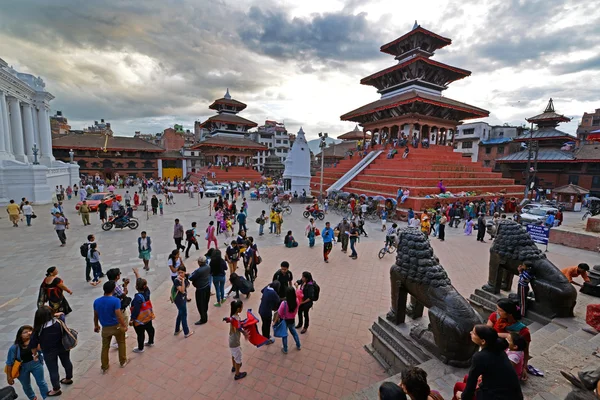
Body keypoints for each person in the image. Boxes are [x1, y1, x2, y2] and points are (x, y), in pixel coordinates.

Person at [453, 325, 523, 400]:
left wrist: (463, 396)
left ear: (483, 341)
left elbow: (472, 381)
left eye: (473, 333)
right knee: (467, 378)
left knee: (458, 386)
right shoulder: (499, 349)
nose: (470, 333)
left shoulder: (480, 357)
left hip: (497, 396)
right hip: (514, 394)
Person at [30, 307, 73, 396]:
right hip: (63, 347)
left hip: (49, 351)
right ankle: (68, 378)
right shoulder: (59, 321)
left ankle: (56, 389)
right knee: (67, 362)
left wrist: (34, 355)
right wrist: (56, 314)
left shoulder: (38, 329)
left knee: (53, 370)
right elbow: (62, 314)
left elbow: (33, 345)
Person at [486, 299, 531, 381]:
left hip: (508, 359)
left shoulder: (523, 331)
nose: (497, 312)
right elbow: (486, 333)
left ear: (509, 313)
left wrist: (524, 367)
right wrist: (504, 335)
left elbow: (525, 351)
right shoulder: (494, 316)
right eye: (497, 309)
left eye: (500, 310)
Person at [5, 325, 50, 400]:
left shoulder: (35, 342)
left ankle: (46, 397)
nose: (29, 333)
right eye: (25, 332)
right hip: (22, 368)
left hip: (36, 364)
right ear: (20, 335)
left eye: (30, 331)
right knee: (26, 385)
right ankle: (32, 398)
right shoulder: (14, 348)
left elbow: (43, 350)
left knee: (41, 382)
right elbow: (9, 363)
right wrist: (9, 377)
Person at [93, 281, 128, 373]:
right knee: (121, 343)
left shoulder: (96, 301)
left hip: (105, 328)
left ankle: (104, 366)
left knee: (105, 347)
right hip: (116, 326)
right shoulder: (115, 301)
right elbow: (118, 315)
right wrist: (124, 325)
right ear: (113, 290)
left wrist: (96, 325)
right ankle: (123, 361)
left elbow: (95, 315)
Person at [130, 277, 155, 353]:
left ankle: (140, 348)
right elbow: (144, 286)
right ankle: (151, 341)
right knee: (150, 329)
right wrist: (137, 275)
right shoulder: (147, 292)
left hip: (139, 319)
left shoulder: (137, 298)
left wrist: (132, 319)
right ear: (145, 286)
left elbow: (136, 310)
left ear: (136, 287)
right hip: (147, 316)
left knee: (140, 334)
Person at [274, 286, 301, 354]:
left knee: (284, 334)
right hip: (292, 320)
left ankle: (285, 349)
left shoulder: (284, 303)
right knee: (294, 333)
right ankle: (298, 345)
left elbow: (279, 313)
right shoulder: (297, 301)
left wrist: (274, 322)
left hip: (284, 320)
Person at [228, 300, 248, 380]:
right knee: (238, 357)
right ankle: (237, 373)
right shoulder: (235, 319)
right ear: (238, 309)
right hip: (235, 342)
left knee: (233, 354)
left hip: (231, 340)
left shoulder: (233, 316)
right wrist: (244, 332)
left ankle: (234, 367)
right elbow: (238, 328)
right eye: (241, 307)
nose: (242, 308)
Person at [173, 266, 194, 338]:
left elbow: (187, 285)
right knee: (184, 315)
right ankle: (186, 332)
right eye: (179, 273)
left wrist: (186, 277)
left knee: (180, 313)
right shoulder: (177, 280)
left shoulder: (185, 277)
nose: (180, 274)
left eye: (182, 272)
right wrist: (182, 281)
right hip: (179, 299)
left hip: (183, 298)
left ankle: (177, 330)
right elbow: (182, 290)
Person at [189, 255, 211, 325]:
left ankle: (203, 318)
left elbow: (191, 278)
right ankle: (205, 314)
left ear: (200, 262)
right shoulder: (208, 267)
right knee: (205, 302)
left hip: (201, 289)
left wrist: (189, 275)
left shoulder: (199, 270)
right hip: (207, 286)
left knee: (200, 304)